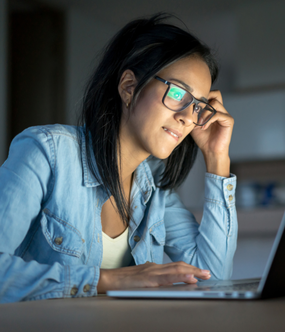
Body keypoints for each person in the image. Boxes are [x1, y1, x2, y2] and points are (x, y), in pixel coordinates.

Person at [0, 13, 237, 303]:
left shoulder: (156, 193)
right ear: (128, 87)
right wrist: (109, 279)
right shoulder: (46, 152)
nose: (188, 117)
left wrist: (217, 157)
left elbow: (214, 277)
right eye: (178, 93)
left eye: (199, 107)